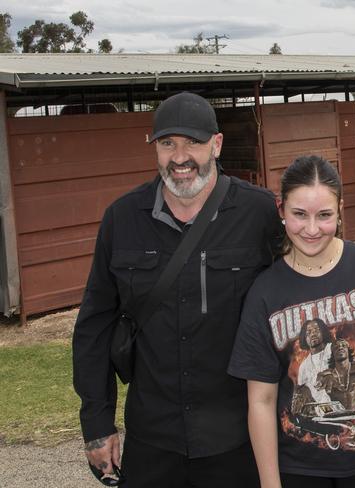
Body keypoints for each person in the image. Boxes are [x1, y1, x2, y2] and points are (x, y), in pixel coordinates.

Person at [72, 91, 282, 487]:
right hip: (154, 437)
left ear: (216, 145)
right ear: (154, 148)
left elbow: (296, 292)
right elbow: (94, 326)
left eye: (194, 143)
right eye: (168, 143)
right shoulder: (122, 218)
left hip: (237, 436)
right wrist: (97, 423)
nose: (180, 157)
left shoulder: (258, 213)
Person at [228, 155, 355, 488]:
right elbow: (261, 400)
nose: (311, 229)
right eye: (299, 214)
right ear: (280, 210)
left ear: (340, 210)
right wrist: (269, 483)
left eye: (324, 216)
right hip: (299, 467)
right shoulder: (265, 291)